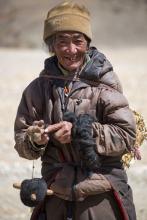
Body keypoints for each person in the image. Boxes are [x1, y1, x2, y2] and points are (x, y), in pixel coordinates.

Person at [14, 1, 137, 220]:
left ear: (87, 43)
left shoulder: (105, 85)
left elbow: (127, 136)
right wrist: (35, 140)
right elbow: (22, 143)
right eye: (62, 42)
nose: (71, 50)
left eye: (78, 41)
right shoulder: (38, 89)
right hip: (55, 195)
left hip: (102, 195)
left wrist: (81, 132)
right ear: (52, 46)